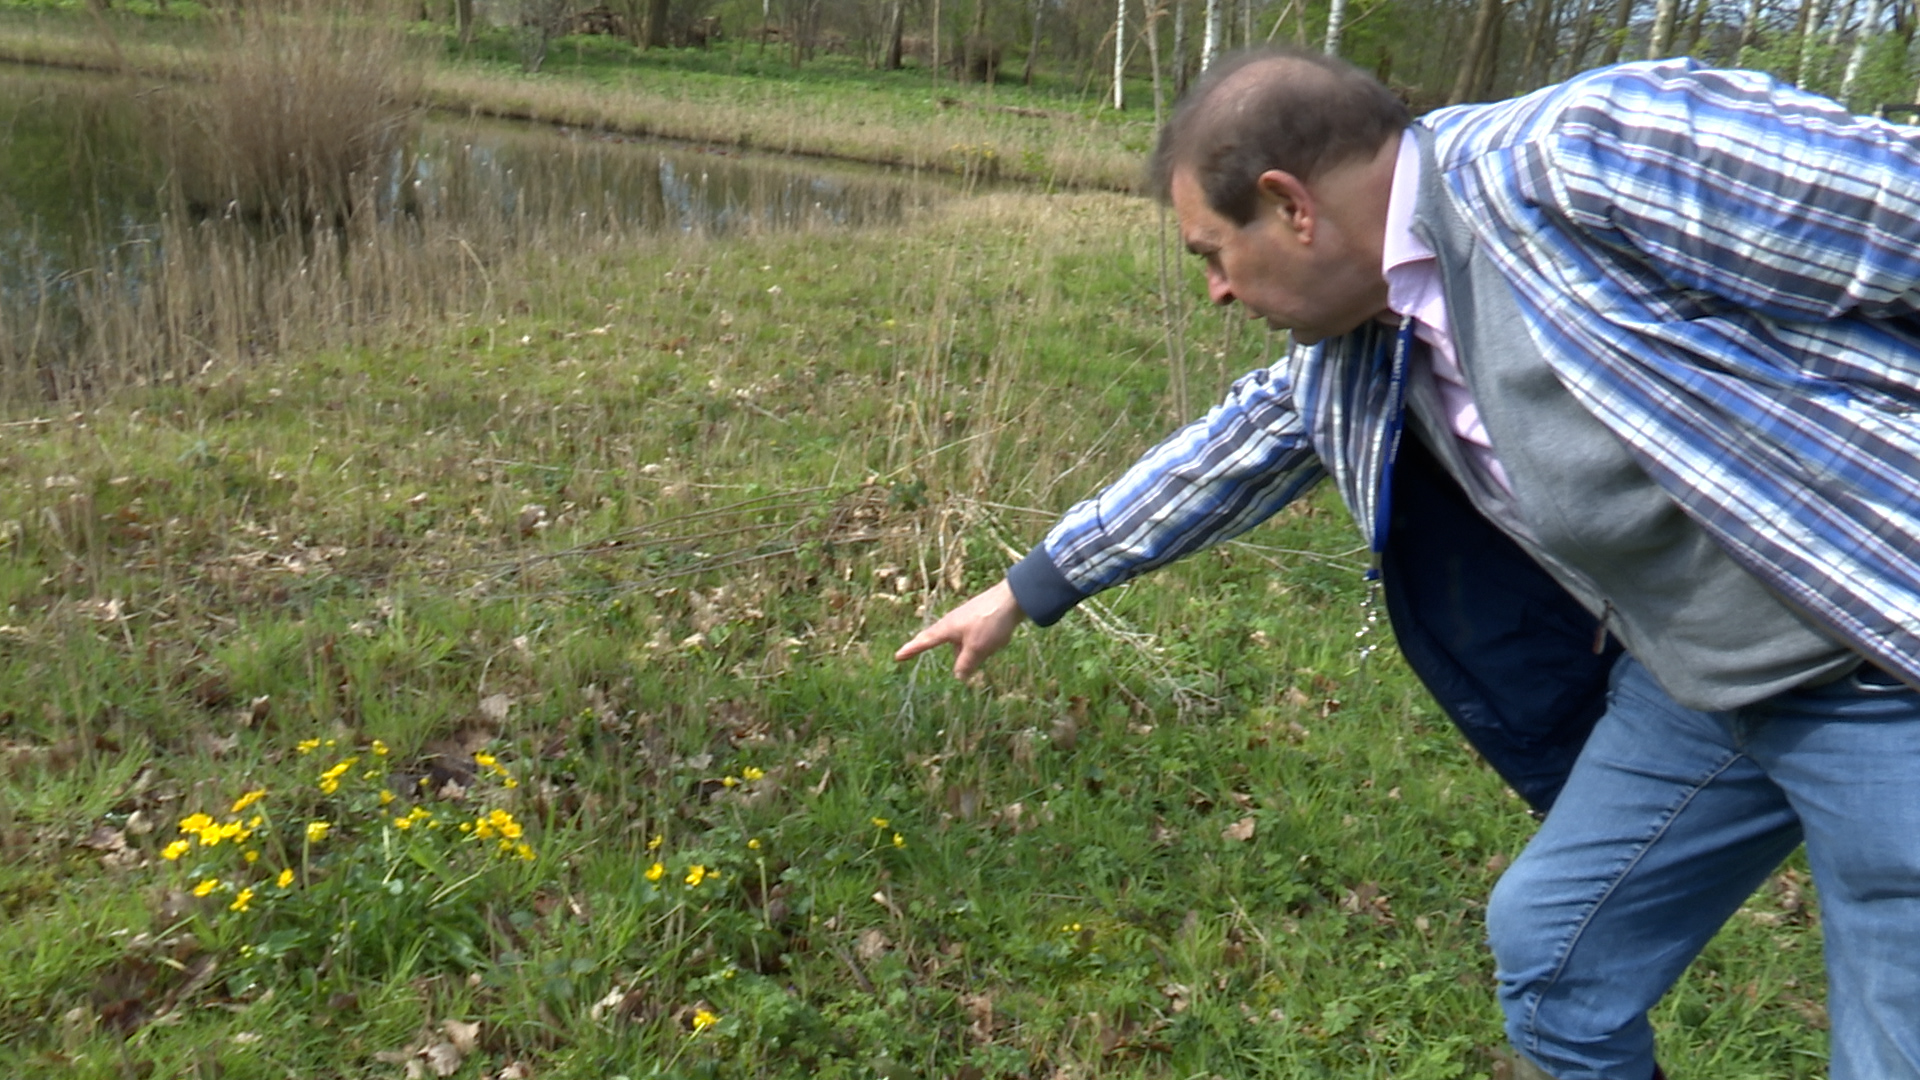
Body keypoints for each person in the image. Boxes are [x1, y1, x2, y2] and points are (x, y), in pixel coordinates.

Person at [894, 46, 1920, 1080]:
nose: (1214, 291)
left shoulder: (1585, 157)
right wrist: (1030, 588)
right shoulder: (1362, 349)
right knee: (1556, 957)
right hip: (1699, 689)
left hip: (1876, 657)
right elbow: (1229, 452)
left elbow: (1897, 207)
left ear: (1290, 206)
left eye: (1213, 252)